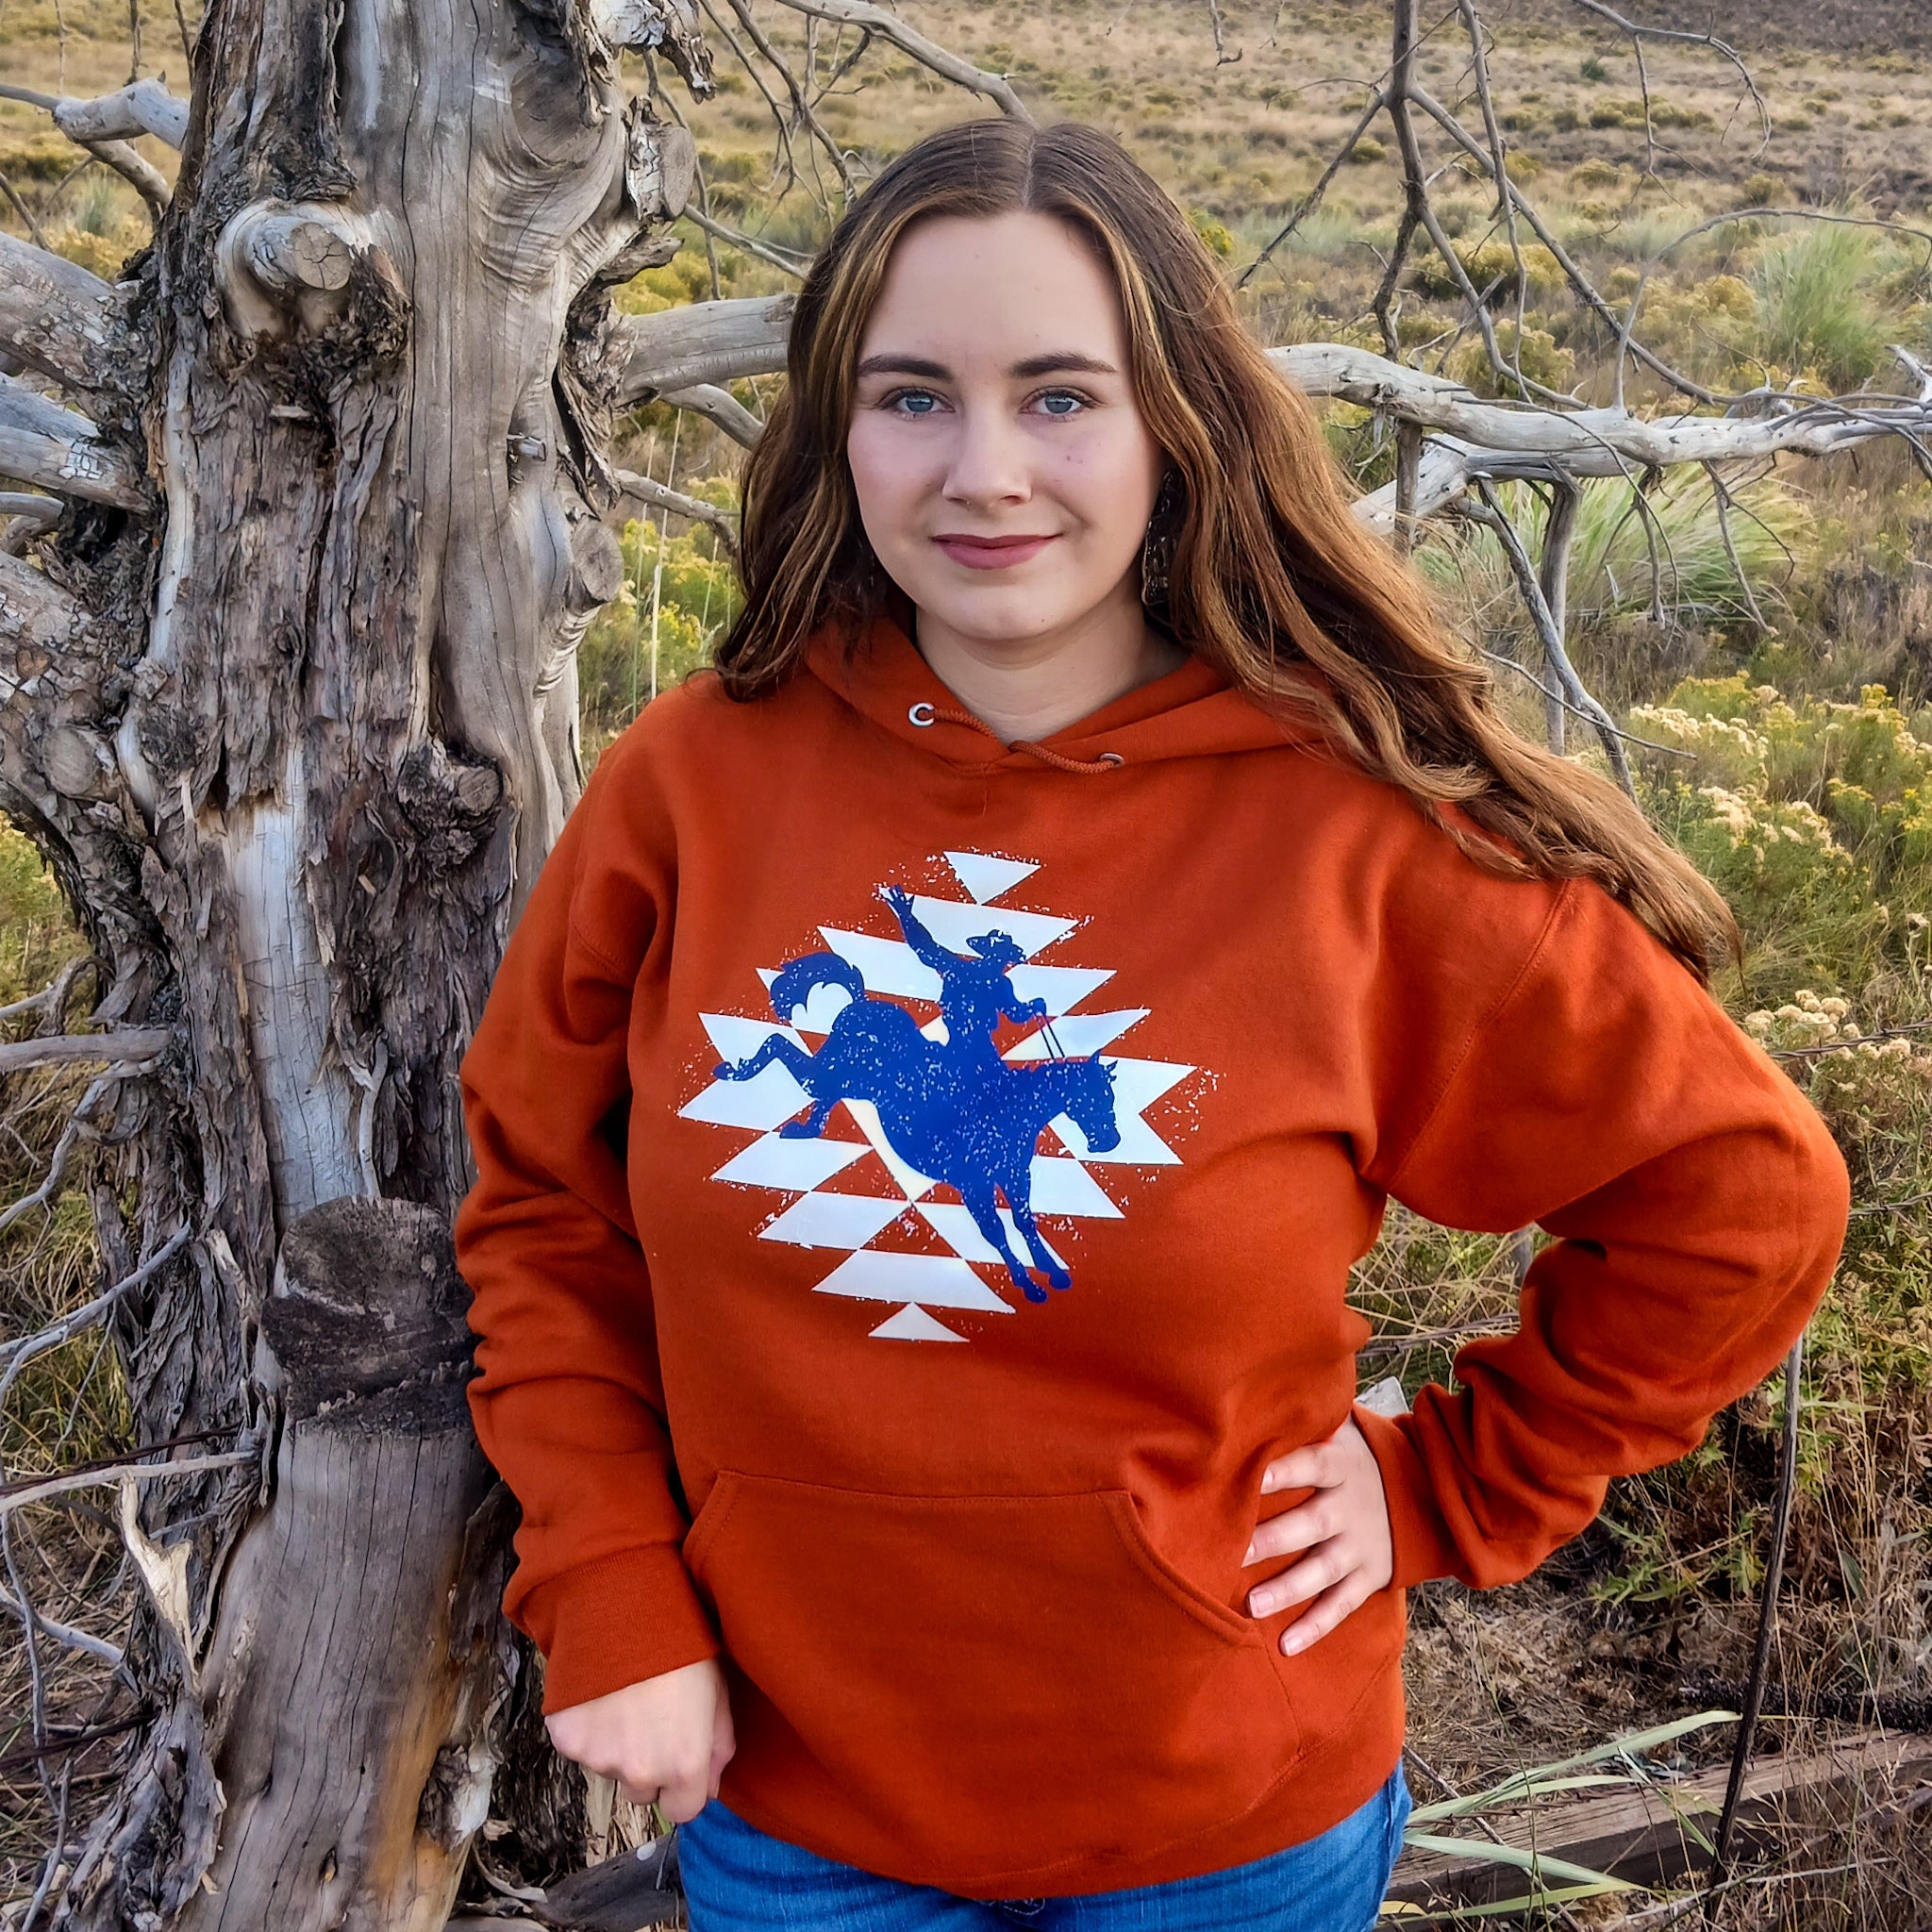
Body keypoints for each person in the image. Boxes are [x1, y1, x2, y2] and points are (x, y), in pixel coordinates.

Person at [453, 117, 1851, 1931]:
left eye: (1058, 397)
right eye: (911, 397)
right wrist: (612, 1593)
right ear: (835, 425)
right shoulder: (694, 788)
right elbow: (540, 1210)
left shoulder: (1355, 836)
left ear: (1173, 421)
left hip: (1230, 1828)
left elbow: (1739, 1197)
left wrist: (1454, 1478)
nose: (984, 472)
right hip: (797, 1813)